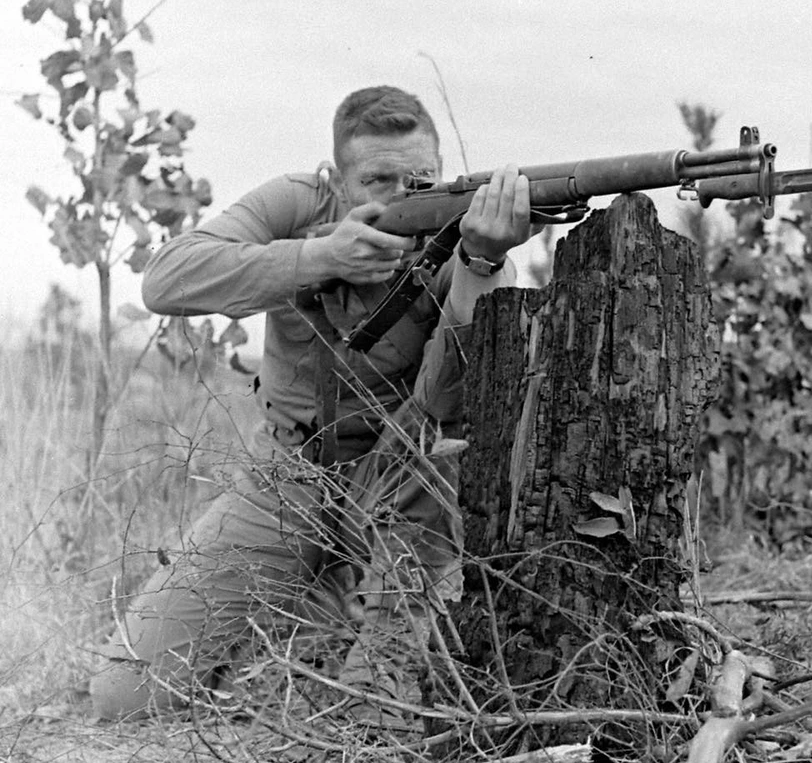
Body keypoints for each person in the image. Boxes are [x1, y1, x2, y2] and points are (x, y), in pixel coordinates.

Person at [90, 85, 534, 720]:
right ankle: (320, 613)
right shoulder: (299, 202)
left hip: (405, 484)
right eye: (378, 179)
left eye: (419, 180)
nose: (400, 198)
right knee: (124, 696)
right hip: (290, 477)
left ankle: (379, 679)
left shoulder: (465, 242)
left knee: (436, 461)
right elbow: (167, 278)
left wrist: (480, 263)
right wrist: (323, 256)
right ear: (337, 180)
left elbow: (446, 402)